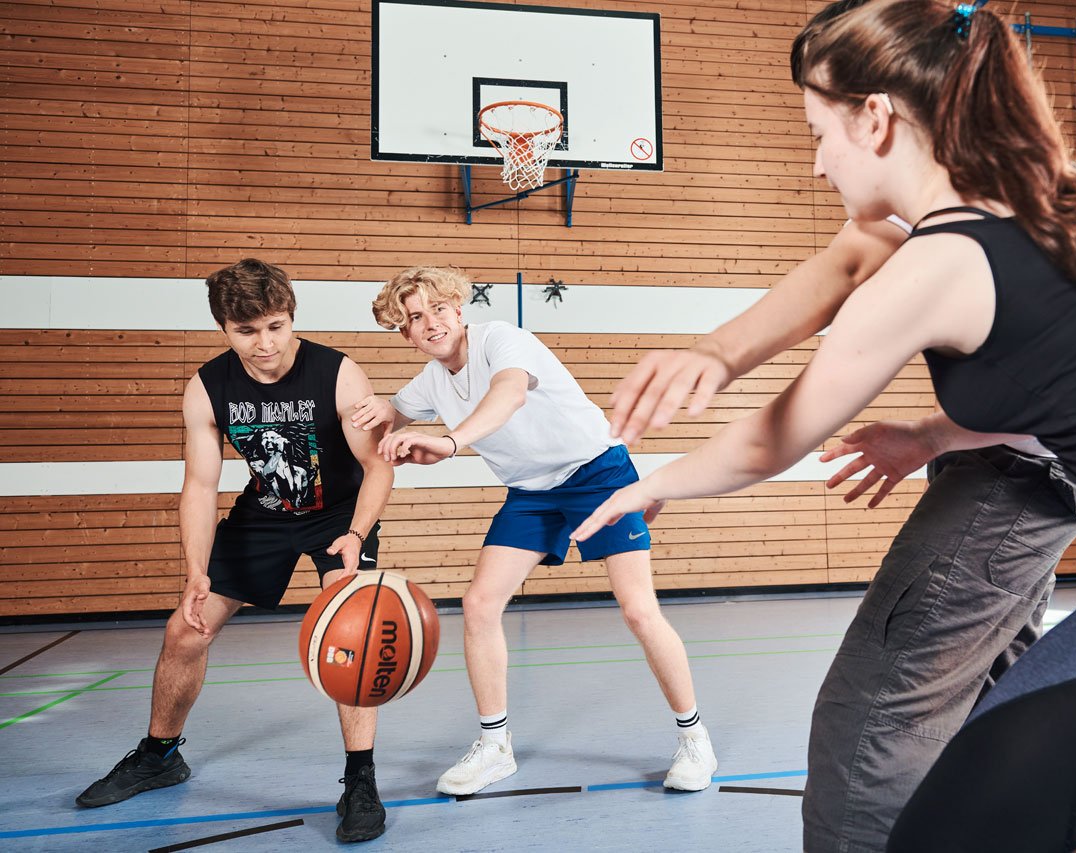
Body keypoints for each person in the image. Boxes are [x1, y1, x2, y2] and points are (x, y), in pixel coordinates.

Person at [575, 1, 1076, 850]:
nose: (816, 164)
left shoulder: (938, 262)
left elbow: (771, 438)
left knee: (942, 831)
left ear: (875, 118)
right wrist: (931, 436)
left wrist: (649, 482)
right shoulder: (1073, 198)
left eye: (817, 133)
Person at [351, 265, 717, 795]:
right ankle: (495, 746)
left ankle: (694, 738)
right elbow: (394, 415)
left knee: (639, 610)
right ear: (404, 333)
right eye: (414, 318)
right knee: (479, 605)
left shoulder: (502, 340)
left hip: (598, 473)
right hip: (531, 492)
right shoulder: (431, 380)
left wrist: (448, 443)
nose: (430, 323)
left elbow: (509, 396)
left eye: (438, 308)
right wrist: (384, 416)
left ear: (458, 308)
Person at [76, 259, 396, 844]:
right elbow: (200, 486)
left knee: (350, 633)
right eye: (247, 331)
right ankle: (160, 755)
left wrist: (356, 534)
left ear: (291, 317)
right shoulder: (208, 386)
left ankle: (360, 778)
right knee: (186, 630)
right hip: (265, 513)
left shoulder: (338, 374)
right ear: (224, 328)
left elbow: (377, 466)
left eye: (276, 326)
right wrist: (196, 571)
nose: (265, 343)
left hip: (339, 516)